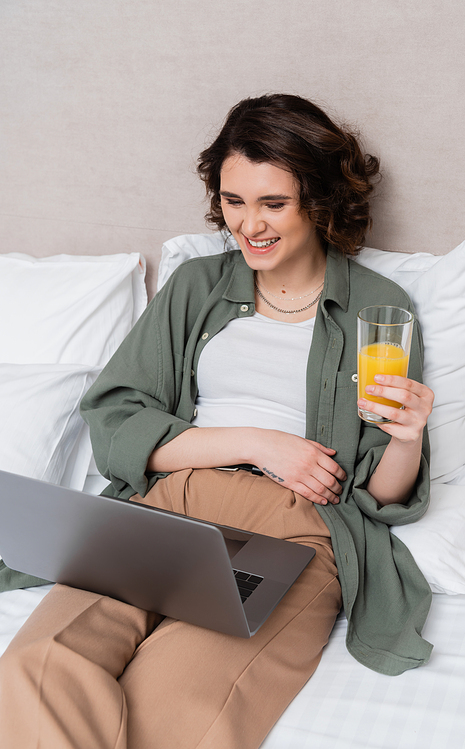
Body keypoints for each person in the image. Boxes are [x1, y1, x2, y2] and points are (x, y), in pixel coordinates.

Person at [0, 94, 434, 749]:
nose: (248, 224)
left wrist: (409, 438)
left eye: (272, 203)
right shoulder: (195, 287)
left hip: (295, 526)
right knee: (36, 668)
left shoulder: (381, 308)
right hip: (165, 507)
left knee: (176, 710)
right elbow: (116, 419)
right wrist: (261, 441)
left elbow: (380, 491)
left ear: (317, 200)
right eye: (233, 201)